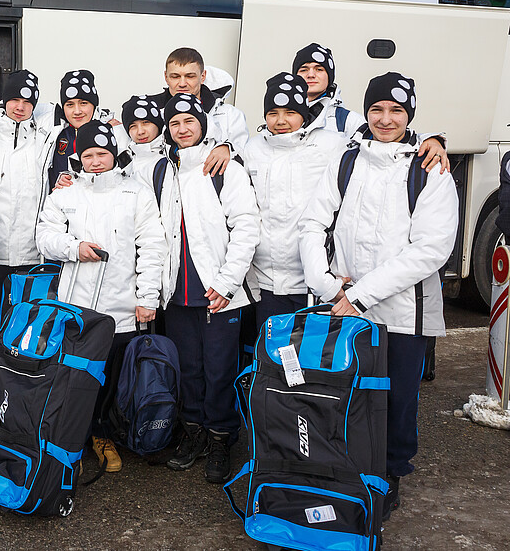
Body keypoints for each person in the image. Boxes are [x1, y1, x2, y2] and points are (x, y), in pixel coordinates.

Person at [298, 72, 458, 521]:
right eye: (376, 109)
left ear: (410, 115)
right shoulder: (347, 160)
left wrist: (362, 294)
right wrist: (331, 286)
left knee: (396, 400)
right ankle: (348, 470)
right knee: (345, 394)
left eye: (396, 111)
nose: (385, 119)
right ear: (365, 111)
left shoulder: (429, 169)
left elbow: (431, 248)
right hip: (346, 306)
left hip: (404, 315)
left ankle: (388, 477)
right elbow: (313, 224)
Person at [36, 120, 166, 474]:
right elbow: (43, 236)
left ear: (114, 155)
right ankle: (72, 440)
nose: (96, 161)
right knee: (75, 378)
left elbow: (152, 247)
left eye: (103, 154)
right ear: (78, 157)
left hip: (121, 307)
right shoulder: (66, 193)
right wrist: (73, 247)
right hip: (76, 308)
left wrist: (147, 297)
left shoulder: (135, 193)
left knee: (111, 379)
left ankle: (104, 435)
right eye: (89, 155)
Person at [159, 93, 260, 485]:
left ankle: (221, 436)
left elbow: (247, 227)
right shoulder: (164, 170)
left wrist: (227, 282)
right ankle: (194, 430)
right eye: (175, 124)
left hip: (219, 288)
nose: (182, 129)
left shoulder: (224, 168)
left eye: (189, 121)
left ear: (203, 124)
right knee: (190, 368)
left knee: (220, 368)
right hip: (178, 290)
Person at [243, 72, 348, 326]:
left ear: (303, 112)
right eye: (273, 113)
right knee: (274, 358)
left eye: (290, 112)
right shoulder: (252, 149)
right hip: (268, 282)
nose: (281, 121)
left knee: (314, 360)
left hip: (315, 280)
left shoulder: (332, 145)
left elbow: (376, 146)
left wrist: (430, 140)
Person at [0, 69, 57, 374]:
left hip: (31, 249)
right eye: (14, 99)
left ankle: (20, 375)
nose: (20, 106)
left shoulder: (44, 133)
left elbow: (86, 113)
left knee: (26, 318)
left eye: (27, 100)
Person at [292, 42, 449, 173]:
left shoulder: (346, 120)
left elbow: (388, 136)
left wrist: (431, 140)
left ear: (329, 76)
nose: (311, 75)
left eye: (319, 69)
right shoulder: (279, 117)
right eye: (303, 69)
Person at [45, 70, 128, 191]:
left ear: (94, 105)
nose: (77, 111)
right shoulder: (53, 133)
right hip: (60, 206)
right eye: (70, 104)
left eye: (83, 103)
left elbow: (126, 175)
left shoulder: (113, 133)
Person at [120, 95, 167, 182]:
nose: (140, 132)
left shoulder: (173, 155)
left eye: (146, 123)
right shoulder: (122, 163)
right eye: (133, 126)